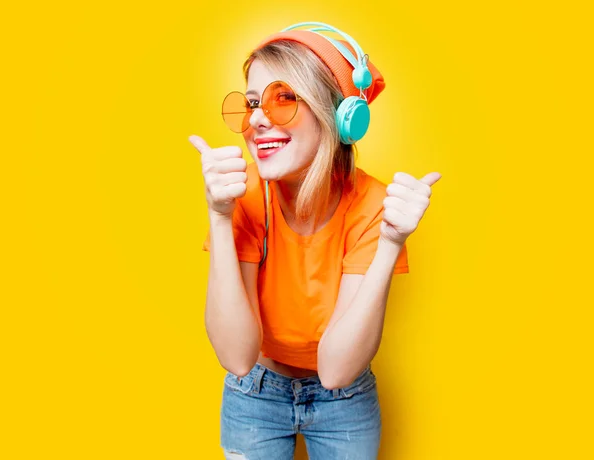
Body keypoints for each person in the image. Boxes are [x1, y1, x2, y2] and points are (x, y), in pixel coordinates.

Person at [189, 22, 441, 460]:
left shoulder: (374, 205)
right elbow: (237, 357)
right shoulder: (242, 198)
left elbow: (336, 370)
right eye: (251, 104)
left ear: (338, 114)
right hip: (255, 392)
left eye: (282, 98)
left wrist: (390, 242)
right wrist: (218, 216)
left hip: (344, 401)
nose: (257, 119)